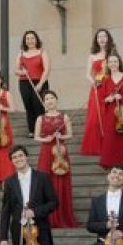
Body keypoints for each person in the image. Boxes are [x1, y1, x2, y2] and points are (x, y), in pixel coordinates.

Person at [32, 90, 78, 228]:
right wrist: (46, 138)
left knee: (61, 182)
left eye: (52, 98)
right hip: (46, 152)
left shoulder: (64, 117)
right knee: (45, 182)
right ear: (44, 102)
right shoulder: (40, 118)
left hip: (60, 153)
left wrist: (61, 137)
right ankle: (46, 216)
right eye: (47, 99)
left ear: (56, 100)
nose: (50, 100)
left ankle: (62, 215)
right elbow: (36, 136)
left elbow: (70, 134)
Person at [80, 28, 120, 158]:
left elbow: (118, 70)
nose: (102, 39)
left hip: (110, 86)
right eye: (99, 37)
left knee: (109, 115)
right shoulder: (92, 56)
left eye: (104, 36)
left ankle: (110, 143)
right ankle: (97, 146)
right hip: (97, 87)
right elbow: (87, 74)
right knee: (95, 118)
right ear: (96, 40)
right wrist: (94, 83)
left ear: (108, 38)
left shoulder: (113, 54)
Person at [97, 54, 123, 170]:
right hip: (111, 114)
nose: (113, 64)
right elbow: (101, 99)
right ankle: (111, 162)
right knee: (111, 139)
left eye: (115, 61)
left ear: (119, 63)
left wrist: (122, 97)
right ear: (108, 65)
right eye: (111, 62)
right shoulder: (106, 81)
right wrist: (108, 99)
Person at [15, 30, 50, 134]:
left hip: (40, 81)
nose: (30, 41)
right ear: (25, 41)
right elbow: (16, 70)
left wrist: (40, 84)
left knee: (38, 104)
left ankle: (42, 129)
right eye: (28, 39)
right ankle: (32, 130)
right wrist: (22, 71)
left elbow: (47, 69)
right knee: (28, 105)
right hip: (24, 82)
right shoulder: (21, 53)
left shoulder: (42, 52)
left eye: (32, 38)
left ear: (36, 39)